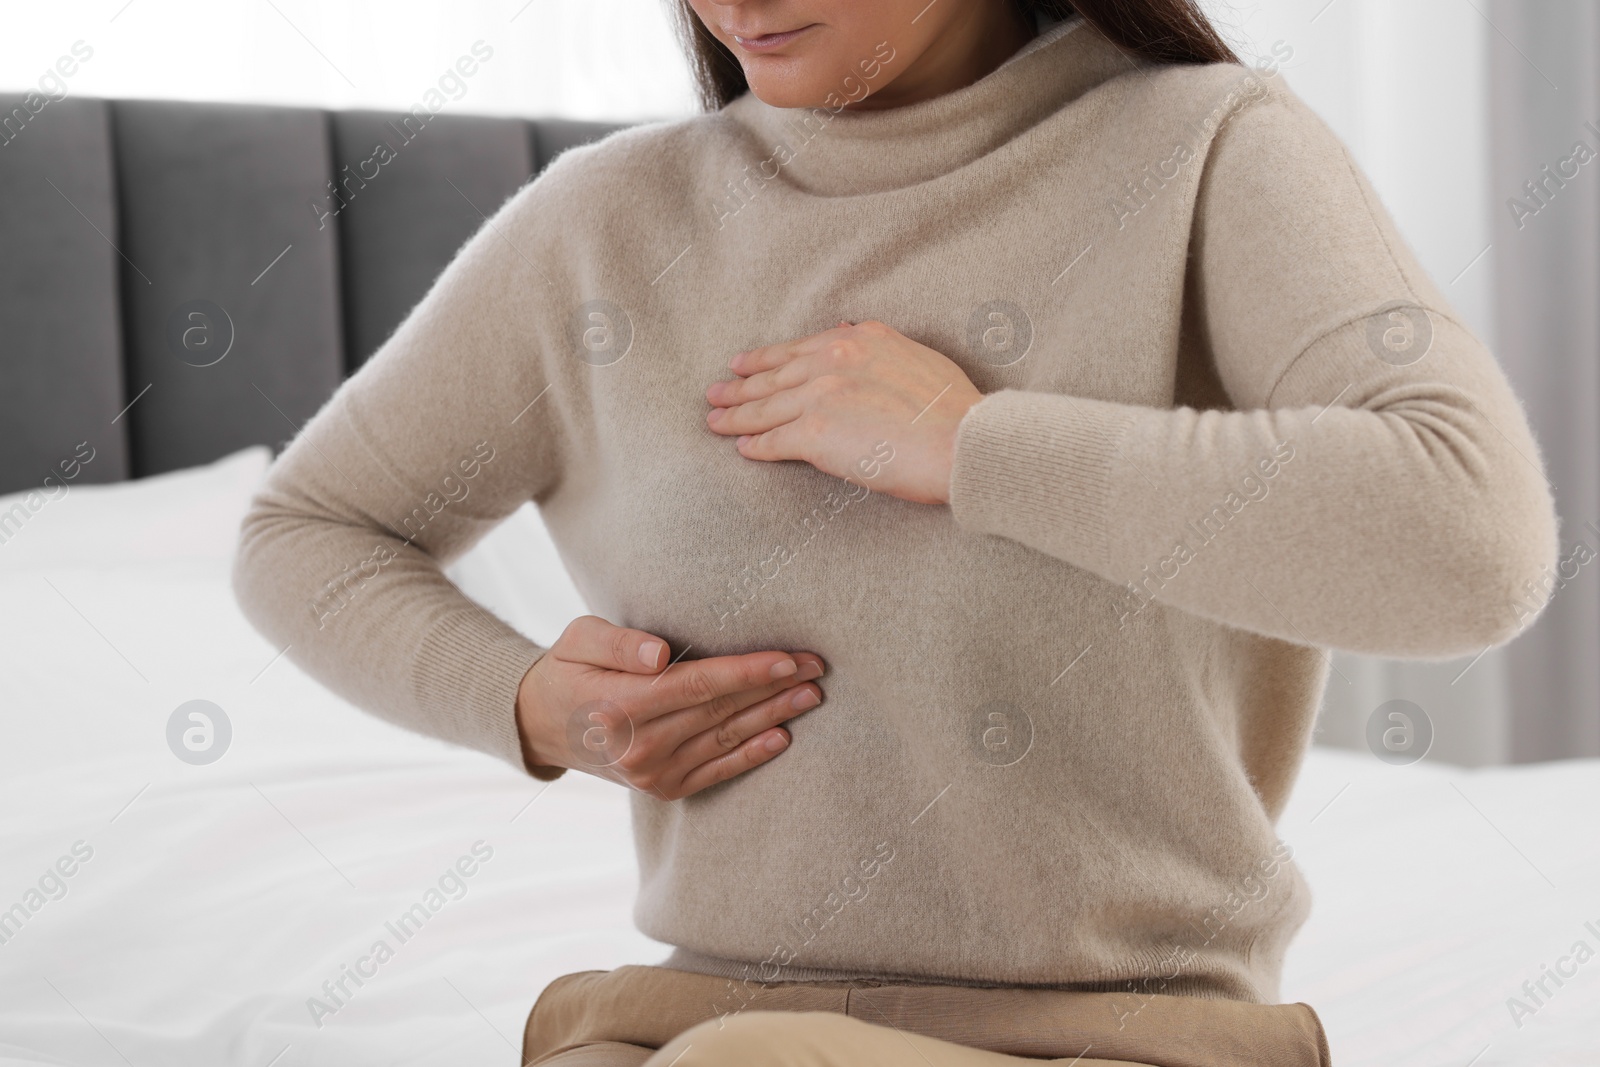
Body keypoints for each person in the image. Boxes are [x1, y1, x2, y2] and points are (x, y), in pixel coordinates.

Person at [232, 0, 1560, 1063]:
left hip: (1121, 1036)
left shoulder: (1209, 147)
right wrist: (529, 705)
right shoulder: (601, 225)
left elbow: (1471, 539)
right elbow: (309, 529)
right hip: (691, 1020)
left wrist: (974, 448)